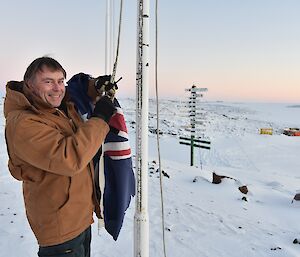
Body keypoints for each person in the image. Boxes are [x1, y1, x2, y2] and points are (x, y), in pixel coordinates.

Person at [4, 56, 117, 257]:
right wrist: (99, 119)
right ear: (29, 85)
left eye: (60, 80)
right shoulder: (24, 123)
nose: (57, 88)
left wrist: (96, 85)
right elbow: (70, 157)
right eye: (48, 81)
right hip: (60, 228)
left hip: (79, 216)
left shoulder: (55, 108)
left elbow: (75, 91)